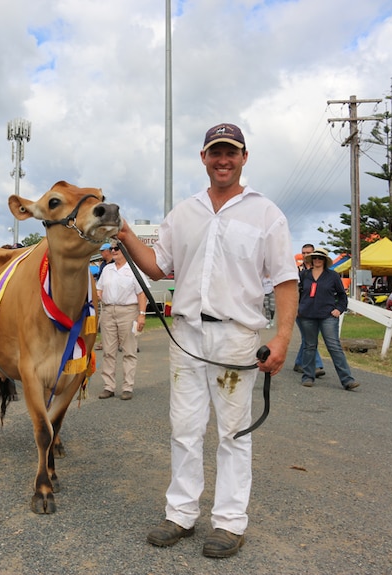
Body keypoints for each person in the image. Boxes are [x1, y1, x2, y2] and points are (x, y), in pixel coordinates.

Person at [119, 123, 298, 558]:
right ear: (203, 157)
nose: (223, 160)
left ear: (243, 157)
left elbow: (285, 279)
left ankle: (230, 522)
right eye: (215, 152)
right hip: (187, 335)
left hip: (236, 336)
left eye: (230, 152)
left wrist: (281, 337)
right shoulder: (183, 213)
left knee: (234, 433)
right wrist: (124, 234)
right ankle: (180, 513)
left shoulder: (267, 214)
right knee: (184, 429)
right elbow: (159, 268)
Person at [297, 248, 358, 390]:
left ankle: (347, 380)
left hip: (327, 316)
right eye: (315, 257)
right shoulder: (304, 275)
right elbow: (297, 292)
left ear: (325, 260)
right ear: (311, 260)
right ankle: (308, 376)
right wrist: (297, 309)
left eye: (320, 258)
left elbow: (342, 296)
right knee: (309, 346)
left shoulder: (333, 276)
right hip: (307, 315)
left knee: (334, 346)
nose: (317, 260)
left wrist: (339, 309)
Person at [95, 244, 148, 400]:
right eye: (112, 249)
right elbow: (99, 289)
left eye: (116, 248)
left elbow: (141, 294)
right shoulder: (107, 270)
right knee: (108, 351)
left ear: (125, 251)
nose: (113, 251)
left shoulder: (134, 270)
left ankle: (127, 387)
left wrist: (142, 315)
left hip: (128, 311)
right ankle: (108, 386)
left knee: (129, 350)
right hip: (108, 311)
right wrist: (98, 294)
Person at [293, 243, 325, 377]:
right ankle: (316, 365)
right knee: (309, 337)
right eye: (303, 253)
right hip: (302, 309)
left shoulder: (321, 270)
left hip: (317, 309)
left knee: (308, 337)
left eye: (308, 253)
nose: (305, 255)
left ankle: (299, 362)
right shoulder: (298, 271)